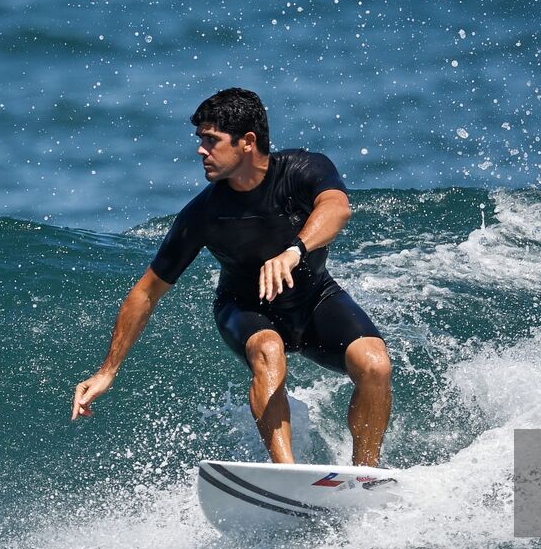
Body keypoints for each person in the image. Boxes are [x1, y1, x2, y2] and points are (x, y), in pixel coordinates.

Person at [70, 87, 392, 467]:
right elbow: (146, 293)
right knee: (268, 349)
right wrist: (108, 370)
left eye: (211, 140)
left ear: (247, 142)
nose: (200, 150)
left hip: (314, 298)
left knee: (375, 363)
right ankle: (285, 475)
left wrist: (294, 251)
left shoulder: (304, 170)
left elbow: (337, 208)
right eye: (200, 140)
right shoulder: (204, 213)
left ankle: (365, 474)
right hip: (245, 308)